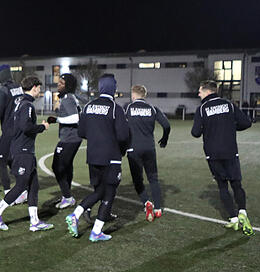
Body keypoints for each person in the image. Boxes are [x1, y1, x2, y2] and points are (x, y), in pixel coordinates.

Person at [64, 74, 130, 242]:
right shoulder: (116, 108)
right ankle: (96, 231)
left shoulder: (88, 106)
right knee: (109, 193)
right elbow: (123, 136)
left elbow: (81, 132)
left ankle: (76, 215)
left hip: (93, 156)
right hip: (111, 157)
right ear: (113, 89)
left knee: (99, 191)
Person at [0, 76, 54, 232]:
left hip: (23, 149)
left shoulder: (20, 103)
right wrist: (42, 127)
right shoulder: (27, 105)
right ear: (35, 87)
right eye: (39, 88)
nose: (40, 91)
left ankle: (35, 221)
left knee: (33, 186)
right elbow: (25, 127)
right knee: (21, 185)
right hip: (23, 151)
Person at [191, 80, 254, 235]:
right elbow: (246, 123)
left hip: (213, 153)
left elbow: (195, 133)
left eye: (200, 91)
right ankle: (242, 213)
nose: (198, 94)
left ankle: (233, 219)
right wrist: (232, 126)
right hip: (230, 151)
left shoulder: (202, 109)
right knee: (236, 184)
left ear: (207, 91)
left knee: (222, 186)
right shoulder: (229, 104)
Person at [124, 84, 171, 221]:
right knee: (153, 178)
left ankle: (146, 202)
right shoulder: (152, 108)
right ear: (144, 95)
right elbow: (167, 125)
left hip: (133, 149)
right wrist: (164, 139)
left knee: (138, 180)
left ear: (133, 95)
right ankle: (157, 209)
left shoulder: (128, 108)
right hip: (149, 148)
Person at [0, 64, 24, 198]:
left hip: (9, 132)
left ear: (2, 74)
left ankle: (8, 195)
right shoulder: (18, 88)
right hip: (20, 131)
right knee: (12, 161)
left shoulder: (2, 91)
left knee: (2, 162)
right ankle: (23, 191)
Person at [50, 73, 83, 210]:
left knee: (57, 167)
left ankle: (68, 197)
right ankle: (66, 195)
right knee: (66, 166)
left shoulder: (68, 98)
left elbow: (75, 118)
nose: (59, 84)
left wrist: (56, 119)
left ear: (68, 86)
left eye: (62, 83)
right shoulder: (69, 97)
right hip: (73, 138)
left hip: (70, 139)